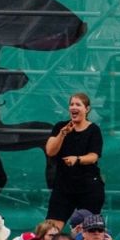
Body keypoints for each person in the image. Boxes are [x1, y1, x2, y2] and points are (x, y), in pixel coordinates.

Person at [44, 92, 104, 227]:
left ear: (87, 109)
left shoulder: (94, 130)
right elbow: (50, 151)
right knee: (51, 227)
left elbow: (93, 156)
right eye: (71, 104)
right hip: (63, 185)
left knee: (87, 227)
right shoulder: (60, 127)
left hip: (88, 186)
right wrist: (62, 134)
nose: (73, 107)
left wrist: (77, 159)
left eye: (78, 104)